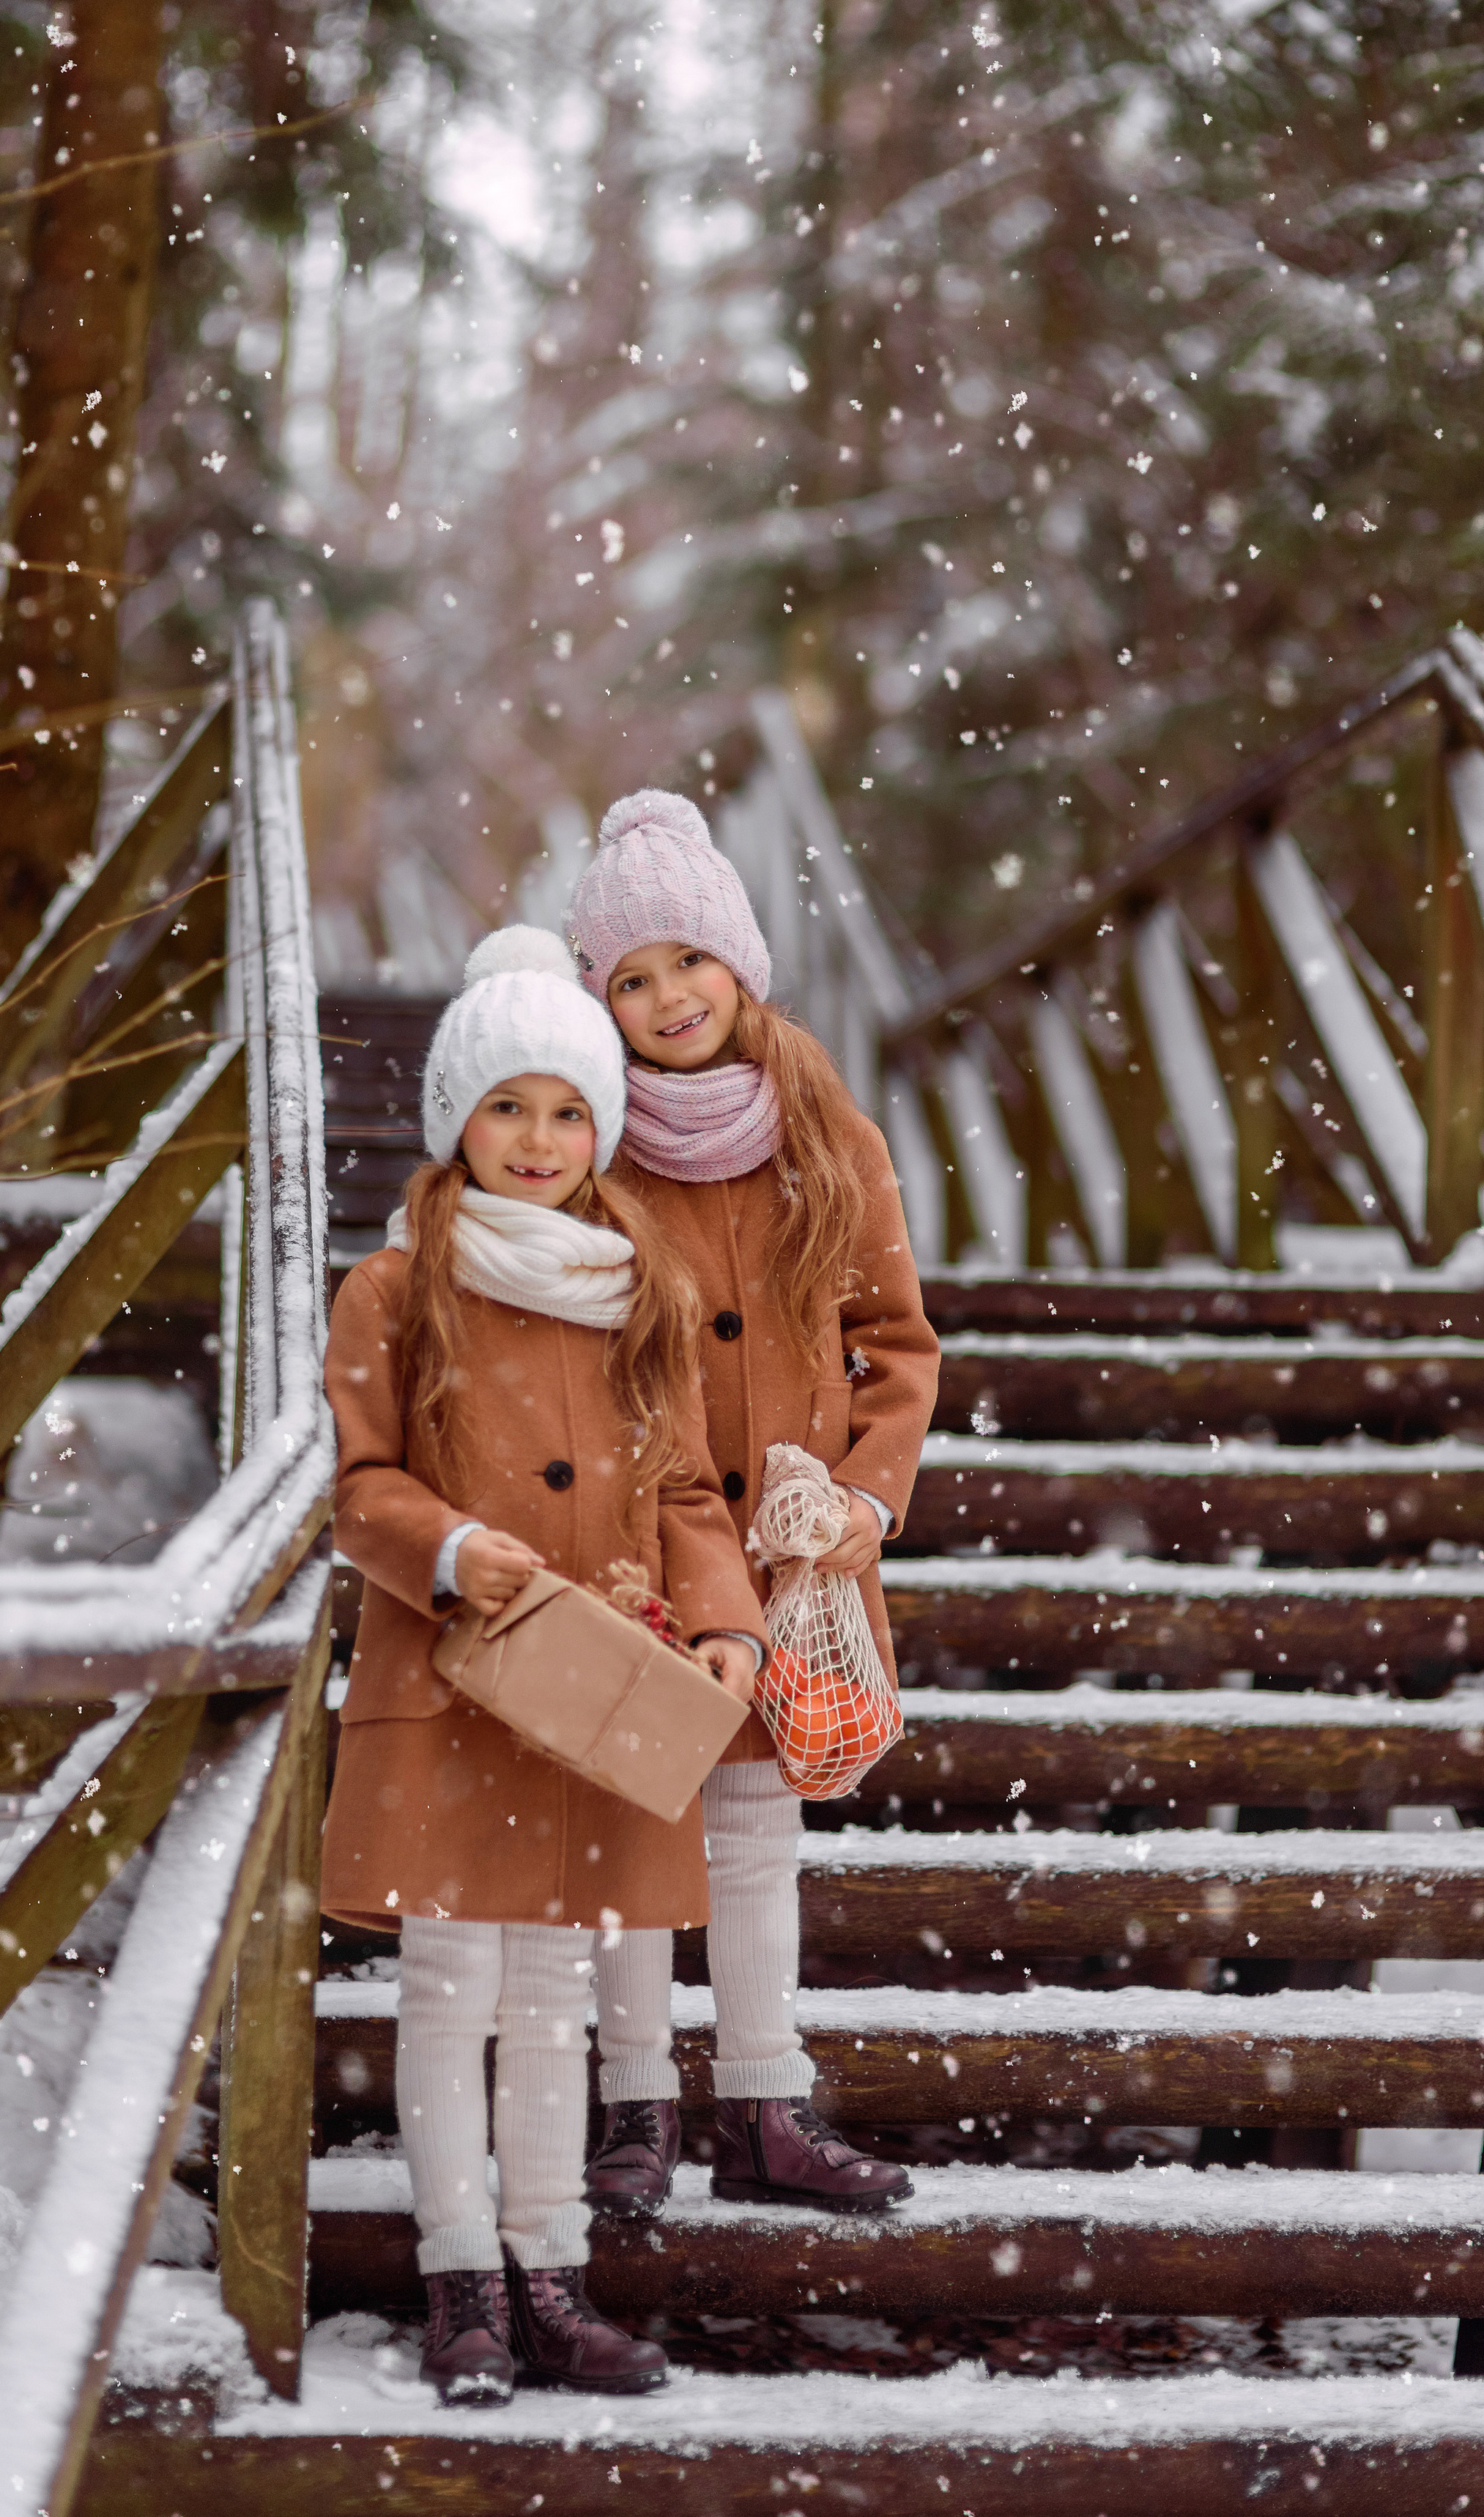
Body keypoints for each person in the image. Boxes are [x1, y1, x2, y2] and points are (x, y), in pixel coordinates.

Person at [320, 924, 767, 2406]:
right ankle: (462, 2293)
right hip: (460, 1684)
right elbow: (355, 1484)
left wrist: (723, 1619)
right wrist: (445, 1551)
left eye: (569, 1110)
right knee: (451, 1990)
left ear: (602, 1131)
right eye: (507, 1106)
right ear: (458, 1119)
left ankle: (553, 2282)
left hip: (595, 1689)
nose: (537, 1139)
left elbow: (692, 1490)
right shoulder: (394, 1290)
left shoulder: (637, 1289)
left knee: (559, 2000)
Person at [565, 793, 941, 2217]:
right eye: (630, 978)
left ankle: (765, 2106)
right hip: (638, 1544)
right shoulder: (588, 1138)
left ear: (740, 962)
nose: (666, 999)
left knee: (758, 1826)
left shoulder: (817, 1123)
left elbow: (894, 1341)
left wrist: (865, 1497)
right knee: (633, 1823)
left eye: (687, 963)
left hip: (794, 1558)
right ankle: (634, 2105)